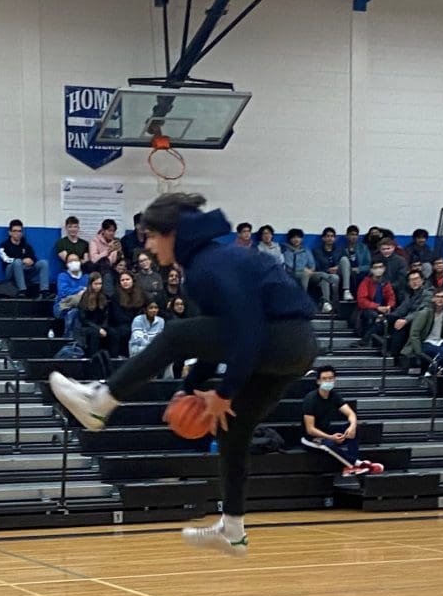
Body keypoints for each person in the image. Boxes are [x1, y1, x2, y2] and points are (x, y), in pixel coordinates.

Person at [49, 193, 317, 557]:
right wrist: (189, 388)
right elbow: (221, 338)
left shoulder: (210, 265)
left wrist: (224, 391)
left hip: (278, 338)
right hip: (295, 349)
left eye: (150, 235)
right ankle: (233, 529)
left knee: (175, 335)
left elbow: (248, 331)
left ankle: (100, 402)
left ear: (172, 233)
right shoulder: (211, 264)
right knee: (232, 426)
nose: (146, 244)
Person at [300, 366, 382, 475]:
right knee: (328, 444)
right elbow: (310, 429)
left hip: (327, 431)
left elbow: (350, 413)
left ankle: (353, 465)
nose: (328, 381)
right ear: (318, 381)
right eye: (325, 379)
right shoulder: (310, 399)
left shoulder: (334, 396)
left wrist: (352, 426)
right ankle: (358, 465)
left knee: (355, 428)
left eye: (330, 378)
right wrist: (331, 437)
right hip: (310, 439)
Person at [401, 288, 443, 373]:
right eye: (437, 297)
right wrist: (418, 352)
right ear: (433, 299)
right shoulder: (425, 313)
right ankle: (430, 372)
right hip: (424, 342)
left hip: (440, 342)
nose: (440, 299)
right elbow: (414, 334)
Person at [352, 258, 396, 347]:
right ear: (371, 270)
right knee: (374, 316)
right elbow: (362, 301)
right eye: (375, 267)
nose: (378, 269)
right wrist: (377, 307)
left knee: (386, 318)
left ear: (384, 269)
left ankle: (365, 341)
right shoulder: (366, 282)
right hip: (367, 310)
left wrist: (389, 306)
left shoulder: (386, 283)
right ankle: (365, 340)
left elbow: (391, 298)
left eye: (380, 267)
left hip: (383, 311)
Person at [0, 219, 48, 296]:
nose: (17, 233)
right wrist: (22, 261)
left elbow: (34, 258)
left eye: (19, 231)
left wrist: (32, 261)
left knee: (43, 263)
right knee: (17, 262)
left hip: (25, 271)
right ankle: (22, 290)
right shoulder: (4, 246)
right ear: (10, 232)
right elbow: (5, 260)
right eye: (15, 231)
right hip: (11, 272)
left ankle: (44, 291)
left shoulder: (26, 245)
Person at [107, 271, 148, 357]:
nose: (125, 282)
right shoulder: (116, 296)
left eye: (127, 279)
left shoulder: (142, 294)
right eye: (122, 280)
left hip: (140, 323)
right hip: (121, 325)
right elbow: (116, 315)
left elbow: (146, 310)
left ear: (132, 280)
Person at [54, 252, 89, 337]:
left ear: (80, 262)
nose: (73, 263)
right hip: (63, 306)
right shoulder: (63, 276)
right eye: (70, 261)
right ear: (66, 264)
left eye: (75, 260)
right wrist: (80, 289)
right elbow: (63, 292)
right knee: (74, 312)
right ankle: (68, 339)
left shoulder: (86, 277)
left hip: (82, 307)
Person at [311, 226, 347, 307]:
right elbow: (316, 266)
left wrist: (337, 267)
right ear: (323, 238)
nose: (330, 238)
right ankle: (330, 303)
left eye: (332, 236)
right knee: (328, 278)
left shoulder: (340, 250)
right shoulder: (316, 251)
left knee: (334, 277)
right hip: (321, 274)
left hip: (336, 273)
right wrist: (328, 270)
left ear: (335, 238)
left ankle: (327, 304)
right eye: (327, 236)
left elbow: (345, 263)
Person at [75, 272, 108, 357]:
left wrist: (103, 327)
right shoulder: (85, 297)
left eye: (100, 284)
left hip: (101, 325)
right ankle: (92, 357)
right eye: (96, 284)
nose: (98, 286)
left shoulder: (104, 296)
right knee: (94, 332)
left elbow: (106, 315)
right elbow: (83, 319)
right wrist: (98, 329)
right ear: (91, 284)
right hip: (87, 327)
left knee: (113, 332)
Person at [340, 224, 372, 298]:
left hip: (360, 272)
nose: (354, 237)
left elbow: (369, 265)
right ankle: (346, 292)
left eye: (356, 235)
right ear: (347, 236)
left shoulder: (363, 248)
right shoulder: (342, 248)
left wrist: (359, 269)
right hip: (345, 273)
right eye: (352, 234)